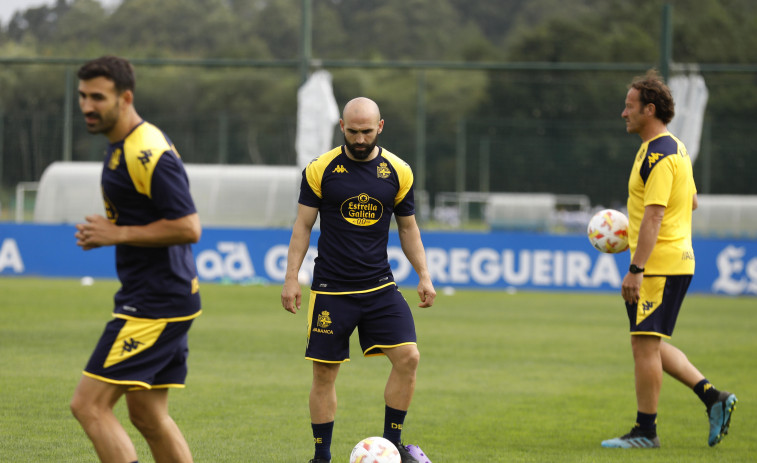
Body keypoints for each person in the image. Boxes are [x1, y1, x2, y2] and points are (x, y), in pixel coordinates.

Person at [280, 97, 436, 463]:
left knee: (408, 358)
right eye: (353, 131)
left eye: (367, 131)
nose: (360, 138)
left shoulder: (399, 171)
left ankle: (392, 446)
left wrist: (424, 275)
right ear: (342, 127)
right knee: (324, 375)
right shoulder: (321, 169)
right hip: (331, 291)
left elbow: (408, 227)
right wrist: (291, 279)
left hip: (379, 286)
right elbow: (302, 227)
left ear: (380, 127)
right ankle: (321, 457)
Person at [70, 56, 201, 463]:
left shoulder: (148, 152)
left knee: (89, 405)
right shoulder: (122, 146)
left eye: (98, 97)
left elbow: (189, 227)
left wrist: (117, 233)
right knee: (147, 413)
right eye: (82, 97)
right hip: (164, 296)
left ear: (125, 98)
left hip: (155, 303)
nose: (88, 106)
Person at [601, 70, 737, 449]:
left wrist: (636, 269)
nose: (623, 114)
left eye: (629, 107)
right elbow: (690, 201)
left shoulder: (659, 154)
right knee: (651, 343)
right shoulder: (673, 148)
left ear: (650, 109)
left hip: (659, 265)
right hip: (675, 260)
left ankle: (646, 432)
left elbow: (656, 215)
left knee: (643, 346)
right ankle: (714, 397)